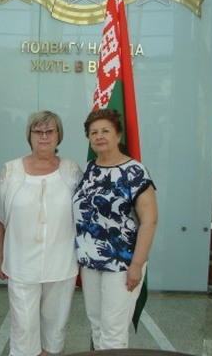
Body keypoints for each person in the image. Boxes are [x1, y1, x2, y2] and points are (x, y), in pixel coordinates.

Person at [0, 110, 82, 356]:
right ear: (29, 135)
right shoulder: (11, 170)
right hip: (21, 263)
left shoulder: (72, 170)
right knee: (24, 326)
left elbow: (85, 214)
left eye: (50, 131)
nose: (44, 136)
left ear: (59, 135)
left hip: (61, 262)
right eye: (38, 131)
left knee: (55, 327)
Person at [73, 108, 158, 350]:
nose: (99, 136)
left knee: (113, 333)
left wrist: (137, 265)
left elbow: (150, 221)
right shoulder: (90, 169)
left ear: (118, 135)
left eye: (105, 131)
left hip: (123, 264)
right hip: (90, 262)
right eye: (94, 132)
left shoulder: (135, 172)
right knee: (97, 327)